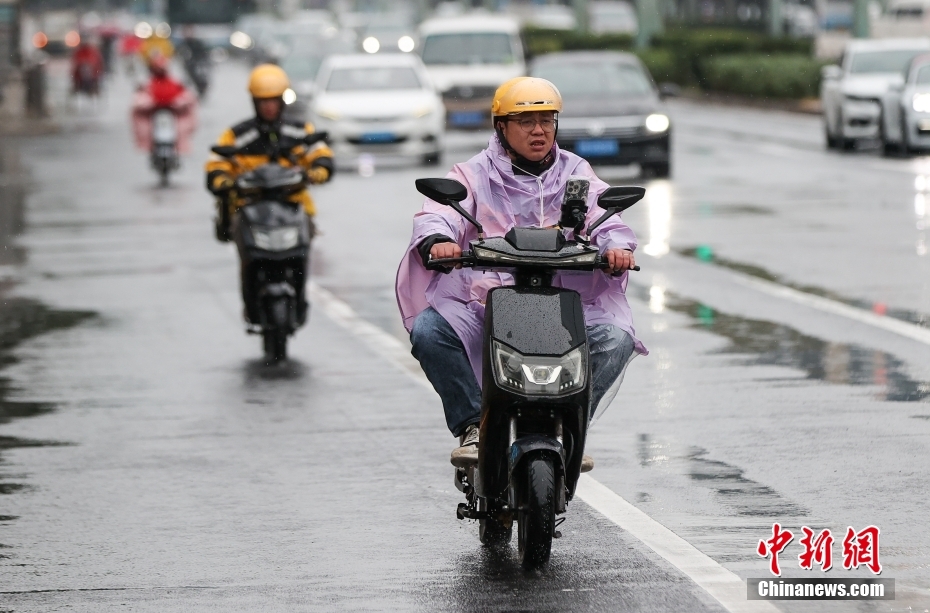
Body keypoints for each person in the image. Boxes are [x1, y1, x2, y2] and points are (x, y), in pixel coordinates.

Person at [395, 77, 647, 468]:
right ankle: (472, 425)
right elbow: (438, 214)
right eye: (526, 121)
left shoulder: (576, 173)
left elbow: (602, 214)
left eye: (547, 120)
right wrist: (436, 241)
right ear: (501, 127)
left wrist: (617, 246)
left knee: (617, 338)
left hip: (567, 303)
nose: (539, 131)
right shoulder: (473, 174)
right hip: (483, 300)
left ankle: (569, 422)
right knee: (429, 331)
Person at [204, 64, 334, 325]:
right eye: (263, 101)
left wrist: (318, 171)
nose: (269, 107)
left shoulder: (300, 131)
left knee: (303, 250)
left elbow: (320, 154)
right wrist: (222, 180)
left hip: (293, 206)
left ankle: (299, 298)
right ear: (254, 101)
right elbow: (216, 163)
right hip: (250, 208)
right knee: (246, 254)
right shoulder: (237, 135)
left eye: (273, 100)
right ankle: (250, 302)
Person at [130, 55, 197, 155]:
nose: (159, 70)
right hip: (153, 112)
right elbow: (138, 101)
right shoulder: (146, 84)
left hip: (173, 112)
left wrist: (177, 103)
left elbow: (187, 98)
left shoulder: (175, 82)